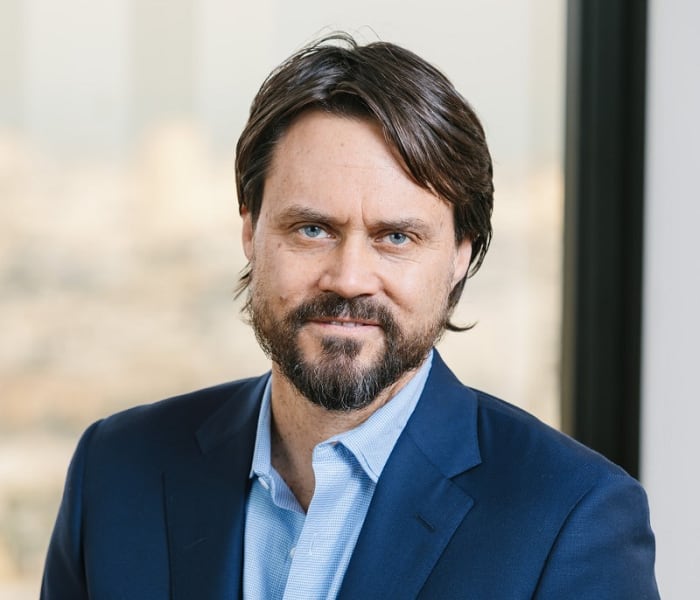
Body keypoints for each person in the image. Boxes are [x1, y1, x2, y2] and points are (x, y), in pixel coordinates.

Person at [41, 33, 659, 599]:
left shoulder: (572, 518)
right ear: (251, 231)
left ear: (459, 256)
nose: (349, 278)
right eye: (312, 229)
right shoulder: (117, 469)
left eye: (396, 237)